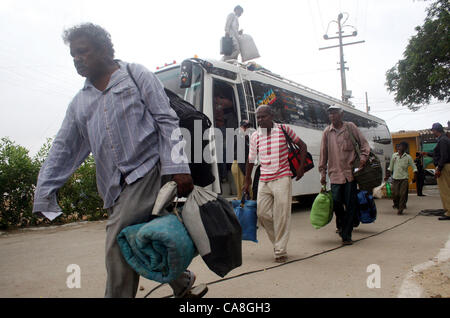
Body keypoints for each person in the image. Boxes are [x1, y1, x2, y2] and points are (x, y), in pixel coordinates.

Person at [32, 23, 207, 298]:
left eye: (83, 52)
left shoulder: (135, 75)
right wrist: (44, 191)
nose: (77, 59)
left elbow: (166, 119)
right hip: (114, 186)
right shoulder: (80, 102)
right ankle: (182, 282)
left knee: (117, 243)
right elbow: (63, 147)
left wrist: (178, 167)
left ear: (103, 49)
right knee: (142, 236)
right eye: (73, 55)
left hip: (148, 170)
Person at [243, 105, 307, 263]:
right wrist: (247, 179)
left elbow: (302, 146)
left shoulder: (284, 130)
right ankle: (278, 242)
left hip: (282, 177)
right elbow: (251, 159)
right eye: (257, 117)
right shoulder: (255, 136)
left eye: (263, 117)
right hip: (264, 179)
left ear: (271, 116)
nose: (259, 120)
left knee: (282, 215)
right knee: (262, 214)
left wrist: (301, 167)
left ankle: (280, 250)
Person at [319, 105, 370, 245]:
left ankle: (346, 235)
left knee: (351, 204)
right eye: (330, 114)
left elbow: (365, 145)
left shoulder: (350, 127)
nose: (332, 116)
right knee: (336, 203)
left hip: (350, 174)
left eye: (335, 113)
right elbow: (323, 155)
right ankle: (341, 225)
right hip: (335, 175)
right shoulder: (327, 132)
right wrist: (322, 173)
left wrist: (363, 159)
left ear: (341, 114)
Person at [422, 123, 450, 221]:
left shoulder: (442, 140)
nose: (432, 132)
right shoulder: (444, 139)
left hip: (444, 167)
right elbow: (437, 153)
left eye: (433, 130)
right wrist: (427, 154)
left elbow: (444, 156)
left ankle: (448, 212)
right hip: (446, 166)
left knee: (445, 190)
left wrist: (439, 169)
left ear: (436, 130)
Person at [385, 141, 418, 215]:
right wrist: (387, 176)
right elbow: (390, 167)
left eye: (401, 146)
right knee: (396, 194)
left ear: (405, 148)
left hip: (404, 179)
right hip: (395, 178)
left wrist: (414, 177)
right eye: (398, 146)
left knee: (403, 194)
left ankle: (401, 209)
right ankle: (397, 204)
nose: (399, 147)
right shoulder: (394, 156)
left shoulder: (408, 157)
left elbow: (414, 168)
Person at [231, 120, 253, 199]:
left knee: (246, 191)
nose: (247, 129)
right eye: (245, 127)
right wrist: (247, 174)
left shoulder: (244, 137)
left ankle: (245, 209)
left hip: (241, 165)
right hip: (239, 165)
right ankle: (243, 210)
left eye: (248, 127)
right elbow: (240, 156)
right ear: (240, 127)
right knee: (243, 192)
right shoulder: (240, 137)